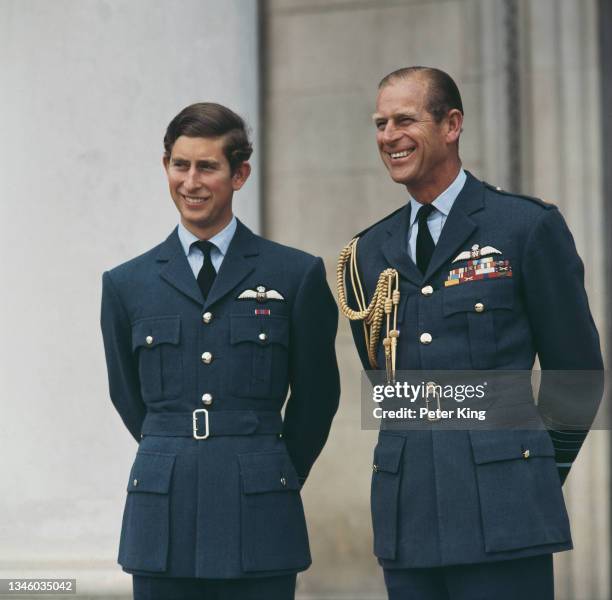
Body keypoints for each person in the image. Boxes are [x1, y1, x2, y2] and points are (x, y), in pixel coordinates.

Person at [337, 67, 603, 600]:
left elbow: (577, 374)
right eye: (380, 123)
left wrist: (529, 474)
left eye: (405, 119)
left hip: (506, 515)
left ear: (452, 124)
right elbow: (388, 385)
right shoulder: (367, 252)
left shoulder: (524, 227)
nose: (389, 135)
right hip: (408, 516)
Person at [100, 102, 340, 600]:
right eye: (179, 165)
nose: (191, 181)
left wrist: (272, 471)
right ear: (165, 166)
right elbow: (128, 398)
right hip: (162, 513)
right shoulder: (126, 284)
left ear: (239, 174)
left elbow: (317, 398)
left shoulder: (295, 275)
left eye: (207, 166)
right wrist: (173, 451)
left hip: (260, 513)